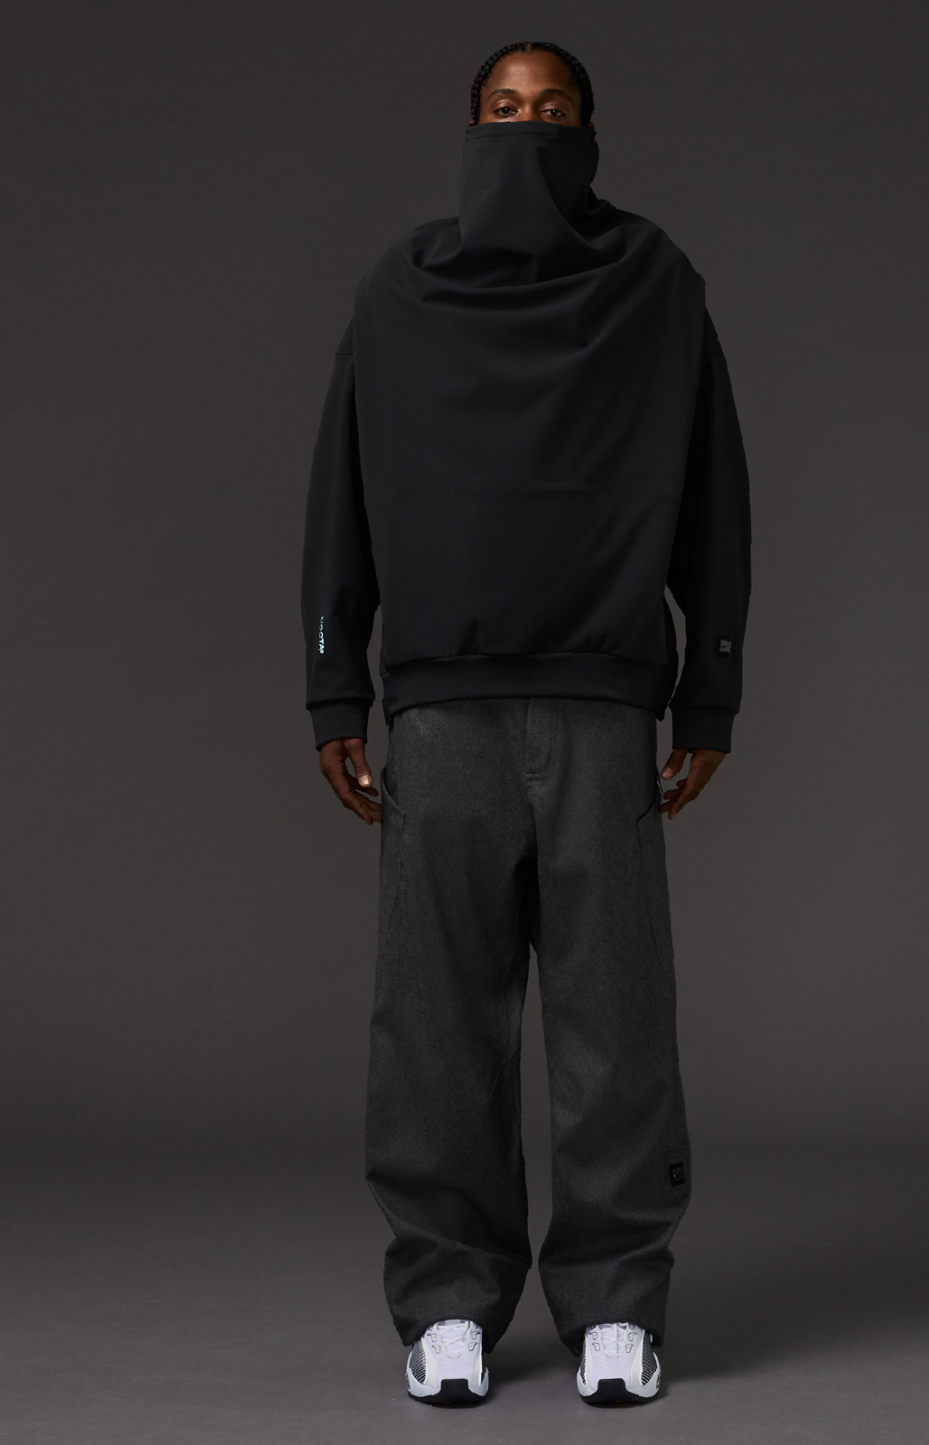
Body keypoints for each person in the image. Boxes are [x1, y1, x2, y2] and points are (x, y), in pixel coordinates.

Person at [300, 39, 751, 1407]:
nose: (528, 131)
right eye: (504, 111)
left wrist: (711, 685)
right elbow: (341, 490)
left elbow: (714, 495)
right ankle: (448, 1295)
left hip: (605, 700)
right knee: (434, 1022)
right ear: (469, 131)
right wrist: (333, 681)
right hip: (441, 705)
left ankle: (617, 1301)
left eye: (553, 112)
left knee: (618, 1019)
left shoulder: (654, 285)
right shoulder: (400, 292)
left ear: (593, 134)